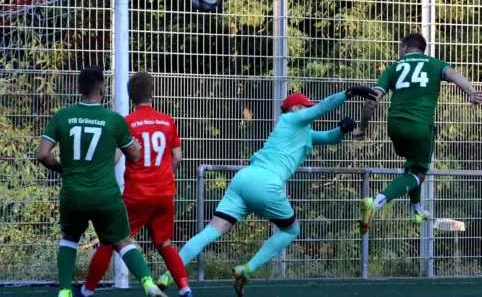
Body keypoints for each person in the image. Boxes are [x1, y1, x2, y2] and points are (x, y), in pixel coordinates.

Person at [157, 87, 378, 297]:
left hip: (244, 178)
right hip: (267, 183)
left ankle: (168, 275)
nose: (309, 109)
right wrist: (349, 93)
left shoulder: (304, 134)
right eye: (305, 106)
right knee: (291, 231)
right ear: (295, 109)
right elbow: (321, 108)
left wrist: (342, 130)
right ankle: (247, 269)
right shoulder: (291, 119)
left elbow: (329, 138)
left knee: (209, 232)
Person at [35, 67, 166, 297]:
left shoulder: (62, 116)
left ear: (79, 88)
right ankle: (148, 283)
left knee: (70, 239)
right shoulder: (113, 120)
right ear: (103, 89)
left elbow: (43, 154)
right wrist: (128, 145)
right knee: (122, 241)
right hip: (106, 196)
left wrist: (64, 169)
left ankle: (65, 291)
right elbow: (133, 156)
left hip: (73, 193)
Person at [76, 72, 193, 297]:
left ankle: (87, 289)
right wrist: (166, 175)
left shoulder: (126, 123)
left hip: (137, 193)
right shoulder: (167, 121)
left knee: (110, 239)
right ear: (152, 93)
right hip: (164, 192)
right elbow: (178, 156)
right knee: (165, 243)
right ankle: (185, 288)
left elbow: (115, 159)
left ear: (131, 97)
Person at [353, 33, 482, 233]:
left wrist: (362, 127)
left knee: (413, 165)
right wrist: (472, 92)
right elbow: (455, 75)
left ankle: (417, 210)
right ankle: (375, 203)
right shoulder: (435, 64)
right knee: (419, 172)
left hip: (395, 125)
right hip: (421, 126)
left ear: (404, 47)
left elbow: (372, 100)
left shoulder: (393, 68)